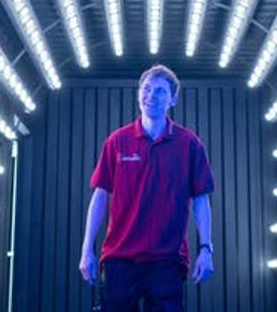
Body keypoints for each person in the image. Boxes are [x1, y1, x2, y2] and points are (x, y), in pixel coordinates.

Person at [79, 64, 215, 311]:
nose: (151, 96)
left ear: (173, 99)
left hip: (168, 261)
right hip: (119, 259)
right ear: (139, 93)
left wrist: (206, 248)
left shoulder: (189, 144)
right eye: (147, 89)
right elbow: (100, 195)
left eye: (161, 91)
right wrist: (86, 249)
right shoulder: (117, 142)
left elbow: (201, 200)